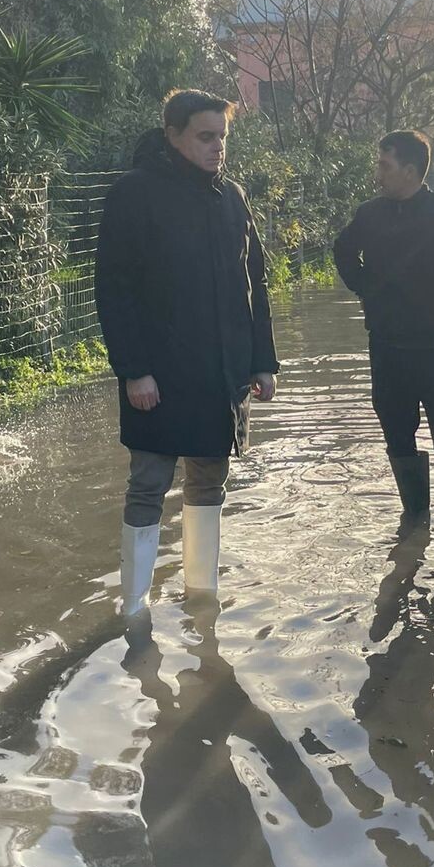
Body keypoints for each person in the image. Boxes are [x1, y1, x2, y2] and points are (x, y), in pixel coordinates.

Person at [94, 90, 279, 617]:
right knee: (149, 482)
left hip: (222, 371)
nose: (217, 147)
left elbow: (255, 283)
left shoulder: (232, 196)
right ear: (172, 134)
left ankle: (203, 596)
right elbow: (114, 290)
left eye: (222, 137)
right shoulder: (134, 193)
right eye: (205, 136)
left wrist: (261, 361)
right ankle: (134, 606)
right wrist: (134, 371)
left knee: (209, 480)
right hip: (158, 372)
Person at [332, 128, 434, 524]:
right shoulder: (370, 214)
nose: (377, 173)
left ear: (410, 170)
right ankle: (415, 525)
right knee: (398, 440)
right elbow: (343, 249)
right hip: (385, 349)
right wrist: (366, 288)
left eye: (384, 165)